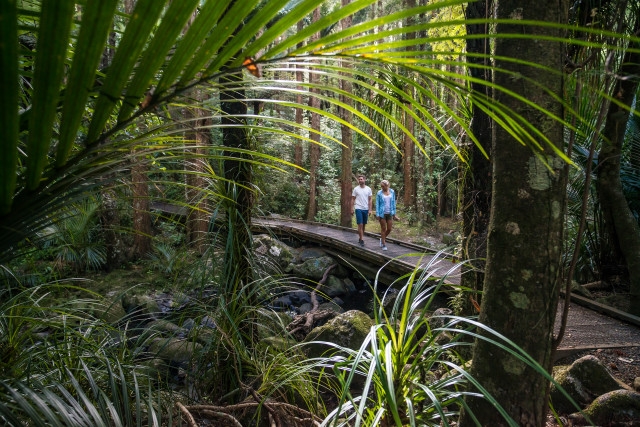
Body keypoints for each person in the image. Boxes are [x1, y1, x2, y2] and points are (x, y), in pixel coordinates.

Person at [375, 179, 398, 251]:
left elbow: (393, 203)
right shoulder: (379, 193)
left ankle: (382, 238)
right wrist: (377, 214)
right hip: (382, 213)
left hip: (390, 212)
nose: (382, 187)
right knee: (383, 228)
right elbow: (377, 204)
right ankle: (383, 244)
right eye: (381, 186)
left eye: (383, 186)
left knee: (389, 229)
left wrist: (394, 214)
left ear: (387, 185)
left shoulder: (392, 192)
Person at [351, 174, 372, 247]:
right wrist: (351, 209)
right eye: (359, 179)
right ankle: (362, 239)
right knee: (360, 224)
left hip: (365, 208)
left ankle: (360, 238)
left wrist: (370, 209)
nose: (360, 180)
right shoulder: (356, 189)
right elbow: (353, 199)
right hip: (358, 208)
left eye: (361, 179)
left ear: (364, 180)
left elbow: (370, 199)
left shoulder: (368, 189)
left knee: (364, 225)